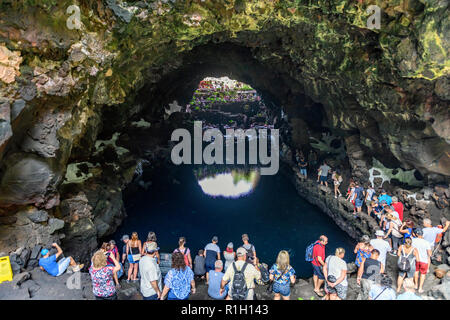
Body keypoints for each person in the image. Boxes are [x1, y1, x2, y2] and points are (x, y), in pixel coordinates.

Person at [412, 228, 432, 293]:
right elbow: (430, 254)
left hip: (415, 259)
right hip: (424, 261)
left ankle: (415, 285)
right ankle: (420, 288)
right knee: (423, 274)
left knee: (416, 271)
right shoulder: (426, 242)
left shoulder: (413, 240)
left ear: (416, 234)